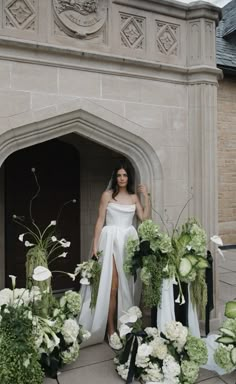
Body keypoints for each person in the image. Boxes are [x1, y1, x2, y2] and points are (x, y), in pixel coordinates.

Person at [79, 162, 150, 349]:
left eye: (125, 175)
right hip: (109, 240)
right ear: (115, 177)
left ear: (129, 178)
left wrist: (146, 197)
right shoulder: (107, 195)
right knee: (112, 284)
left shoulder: (134, 198)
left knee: (126, 285)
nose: (122, 178)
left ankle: (124, 325)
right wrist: (95, 245)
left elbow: (143, 218)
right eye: (119, 175)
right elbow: (99, 220)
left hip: (128, 242)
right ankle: (110, 329)